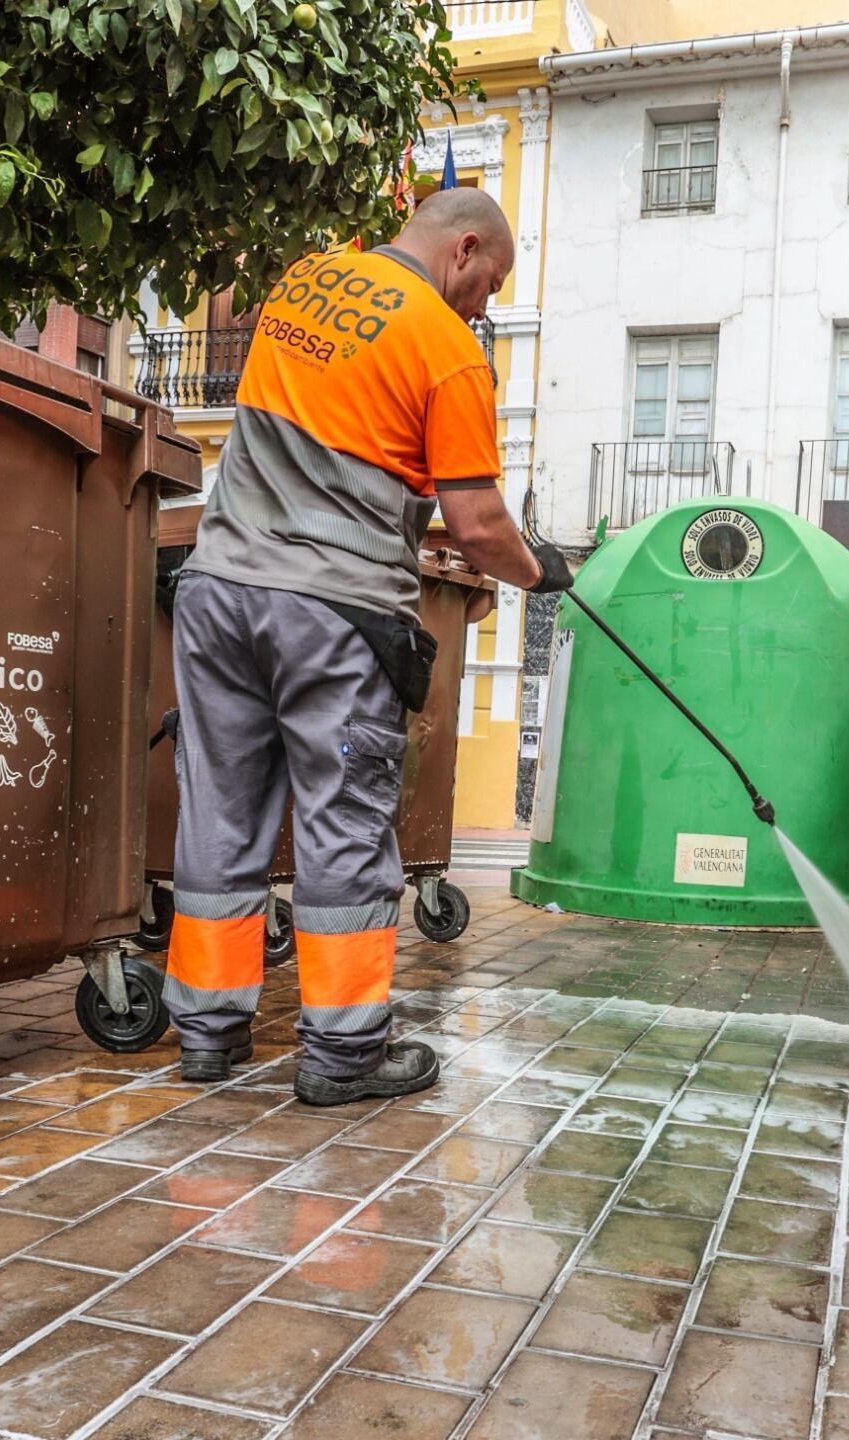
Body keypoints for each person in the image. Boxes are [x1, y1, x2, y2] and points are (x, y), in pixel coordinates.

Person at [166, 189, 574, 1107]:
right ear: (464, 249)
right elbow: (476, 524)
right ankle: (344, 1056)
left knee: (220, 816)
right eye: (490, 284)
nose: (485, 307)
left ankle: (206, 1033)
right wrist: (541, 570)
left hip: (219, 589)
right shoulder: (446, 349)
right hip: (333, 614)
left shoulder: (303, 286)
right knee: (343, 825)